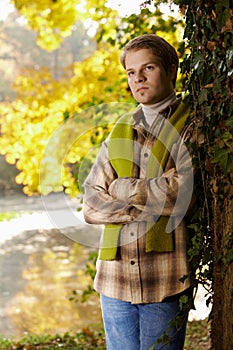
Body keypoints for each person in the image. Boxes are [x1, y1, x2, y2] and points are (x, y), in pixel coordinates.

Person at [83, 34, 195, 350]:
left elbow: (181, 192)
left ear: (171, 70)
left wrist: (120, 189)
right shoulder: (120, 129)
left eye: (148, 68)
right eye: (131, 72)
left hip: (165, 278)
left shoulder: (189, 126)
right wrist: (146, 202)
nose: (138, 79)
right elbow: (90, 203)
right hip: (113, 280)